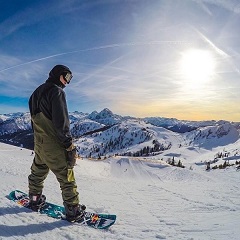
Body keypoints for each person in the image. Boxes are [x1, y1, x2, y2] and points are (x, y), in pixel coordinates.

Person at [28, 64, 85, 222]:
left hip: (39, 143)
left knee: (38, 172)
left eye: (70, 79)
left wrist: (38, 140)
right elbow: (61, 123)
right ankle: (73, 210)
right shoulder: (57, 92)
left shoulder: (35, 93)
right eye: (66, 77)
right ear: (57, 74)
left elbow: (34, 123)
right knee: (66, 176)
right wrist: (68, 145)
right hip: (54, 144)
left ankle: (34, 199)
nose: (67, 82)